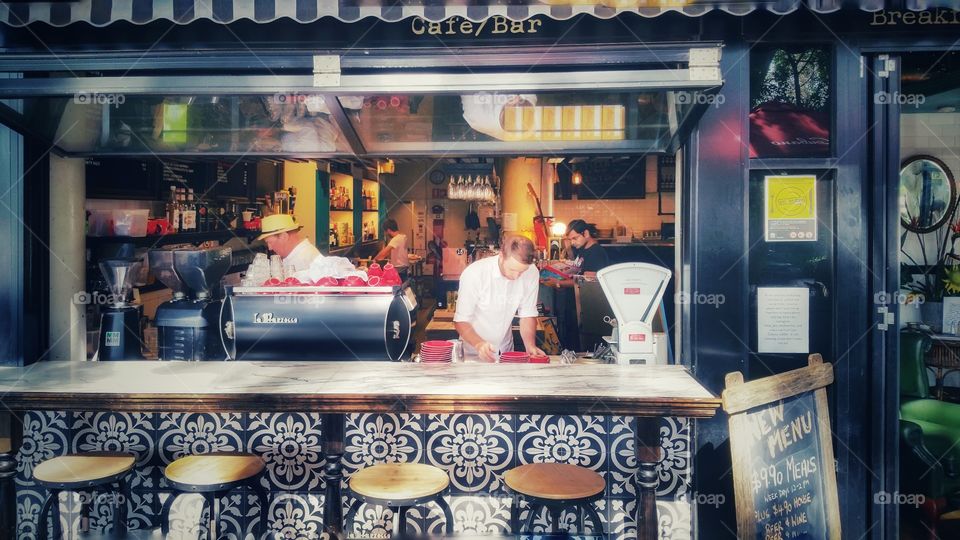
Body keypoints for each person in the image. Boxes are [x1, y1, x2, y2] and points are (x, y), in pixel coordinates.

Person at [454, 235, 547, 362]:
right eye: (512, 269)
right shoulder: (475, 273)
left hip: (505, 350)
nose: (516, 276)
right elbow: (461, 320)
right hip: (473, 351)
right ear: (501, 256)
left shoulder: (531, 272)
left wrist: (530, 345)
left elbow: (528, 314)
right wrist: (479, 344)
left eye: (521, 272)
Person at [257, 213, 322, 273]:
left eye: (270, 242)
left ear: (284, 236)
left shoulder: (301, 262)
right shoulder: (298, 254)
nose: (270, 248)